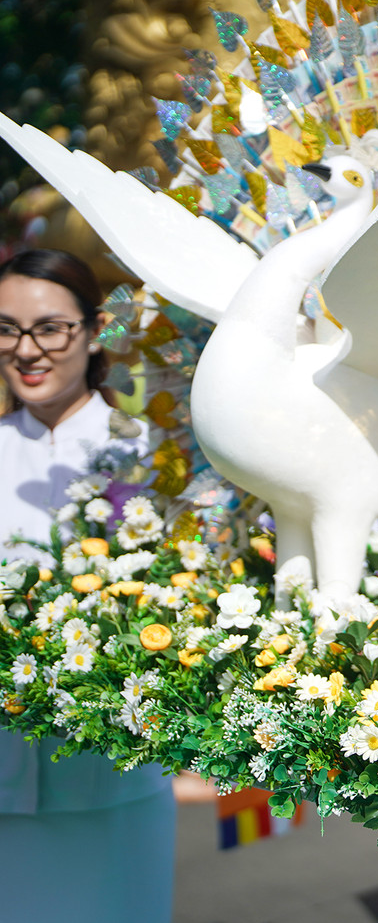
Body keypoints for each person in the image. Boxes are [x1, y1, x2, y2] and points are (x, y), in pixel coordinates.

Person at [0, 249, 176, 922]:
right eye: (7, 328)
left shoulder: (151, 454)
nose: (27, 350)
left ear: (95, 328)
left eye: (50, 328)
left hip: (111, 785)